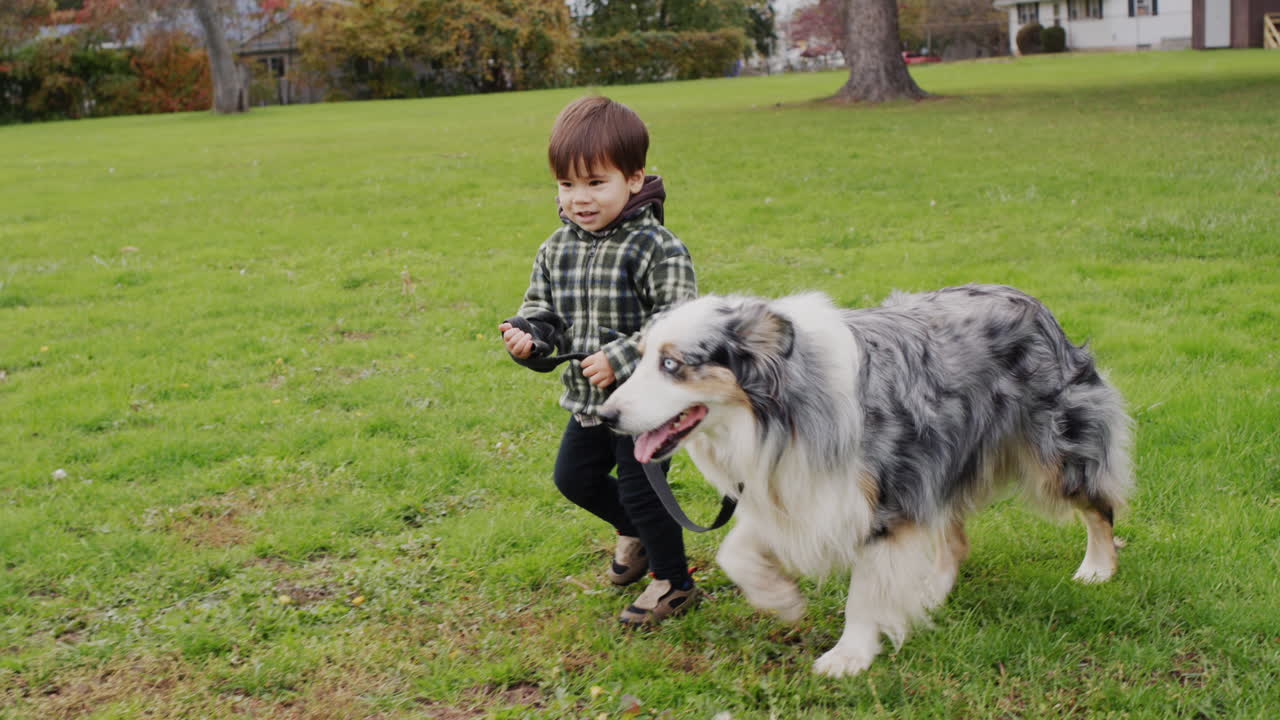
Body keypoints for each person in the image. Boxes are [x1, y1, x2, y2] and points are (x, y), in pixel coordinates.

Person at [498, 96, 698, 626]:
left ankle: (673, 583)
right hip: (590, 401)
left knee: (640, 485)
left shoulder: (658, 247)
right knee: (574, 478)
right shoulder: (554, 248)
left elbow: (679, 321)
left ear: (633, 179)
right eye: (567, 185)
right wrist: (530, 338)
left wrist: (621, 356)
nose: (579, 199)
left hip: (648, 403)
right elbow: (542, 312)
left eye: (595, 183)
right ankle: (634, 535)